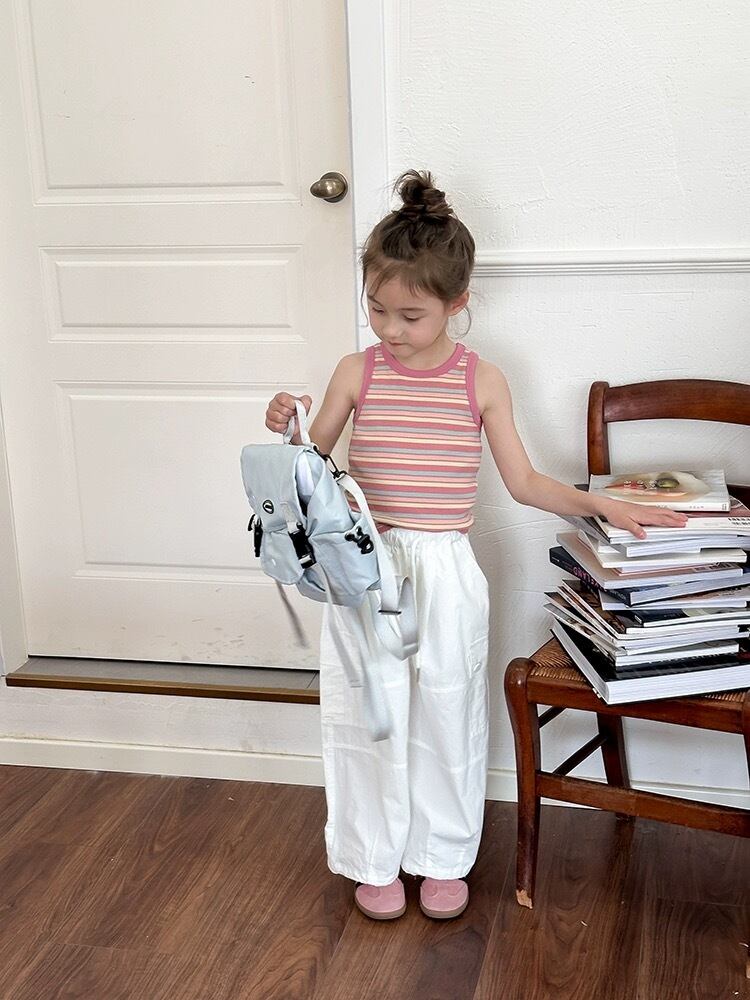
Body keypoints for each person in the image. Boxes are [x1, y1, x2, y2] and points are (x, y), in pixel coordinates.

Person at [264, 170, 686, 922]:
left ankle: (441, 856)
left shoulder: (480, 380)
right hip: (365, 564)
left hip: (445, 571)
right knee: (368, 711)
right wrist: (290, 423)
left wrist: (599, 503)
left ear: (457, 304)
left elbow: (523, 482)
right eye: (376, 308)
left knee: (446, 710)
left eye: (410, 315)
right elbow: (310, 469)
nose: (390, 329)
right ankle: (373, 855)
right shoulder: (356, 372)